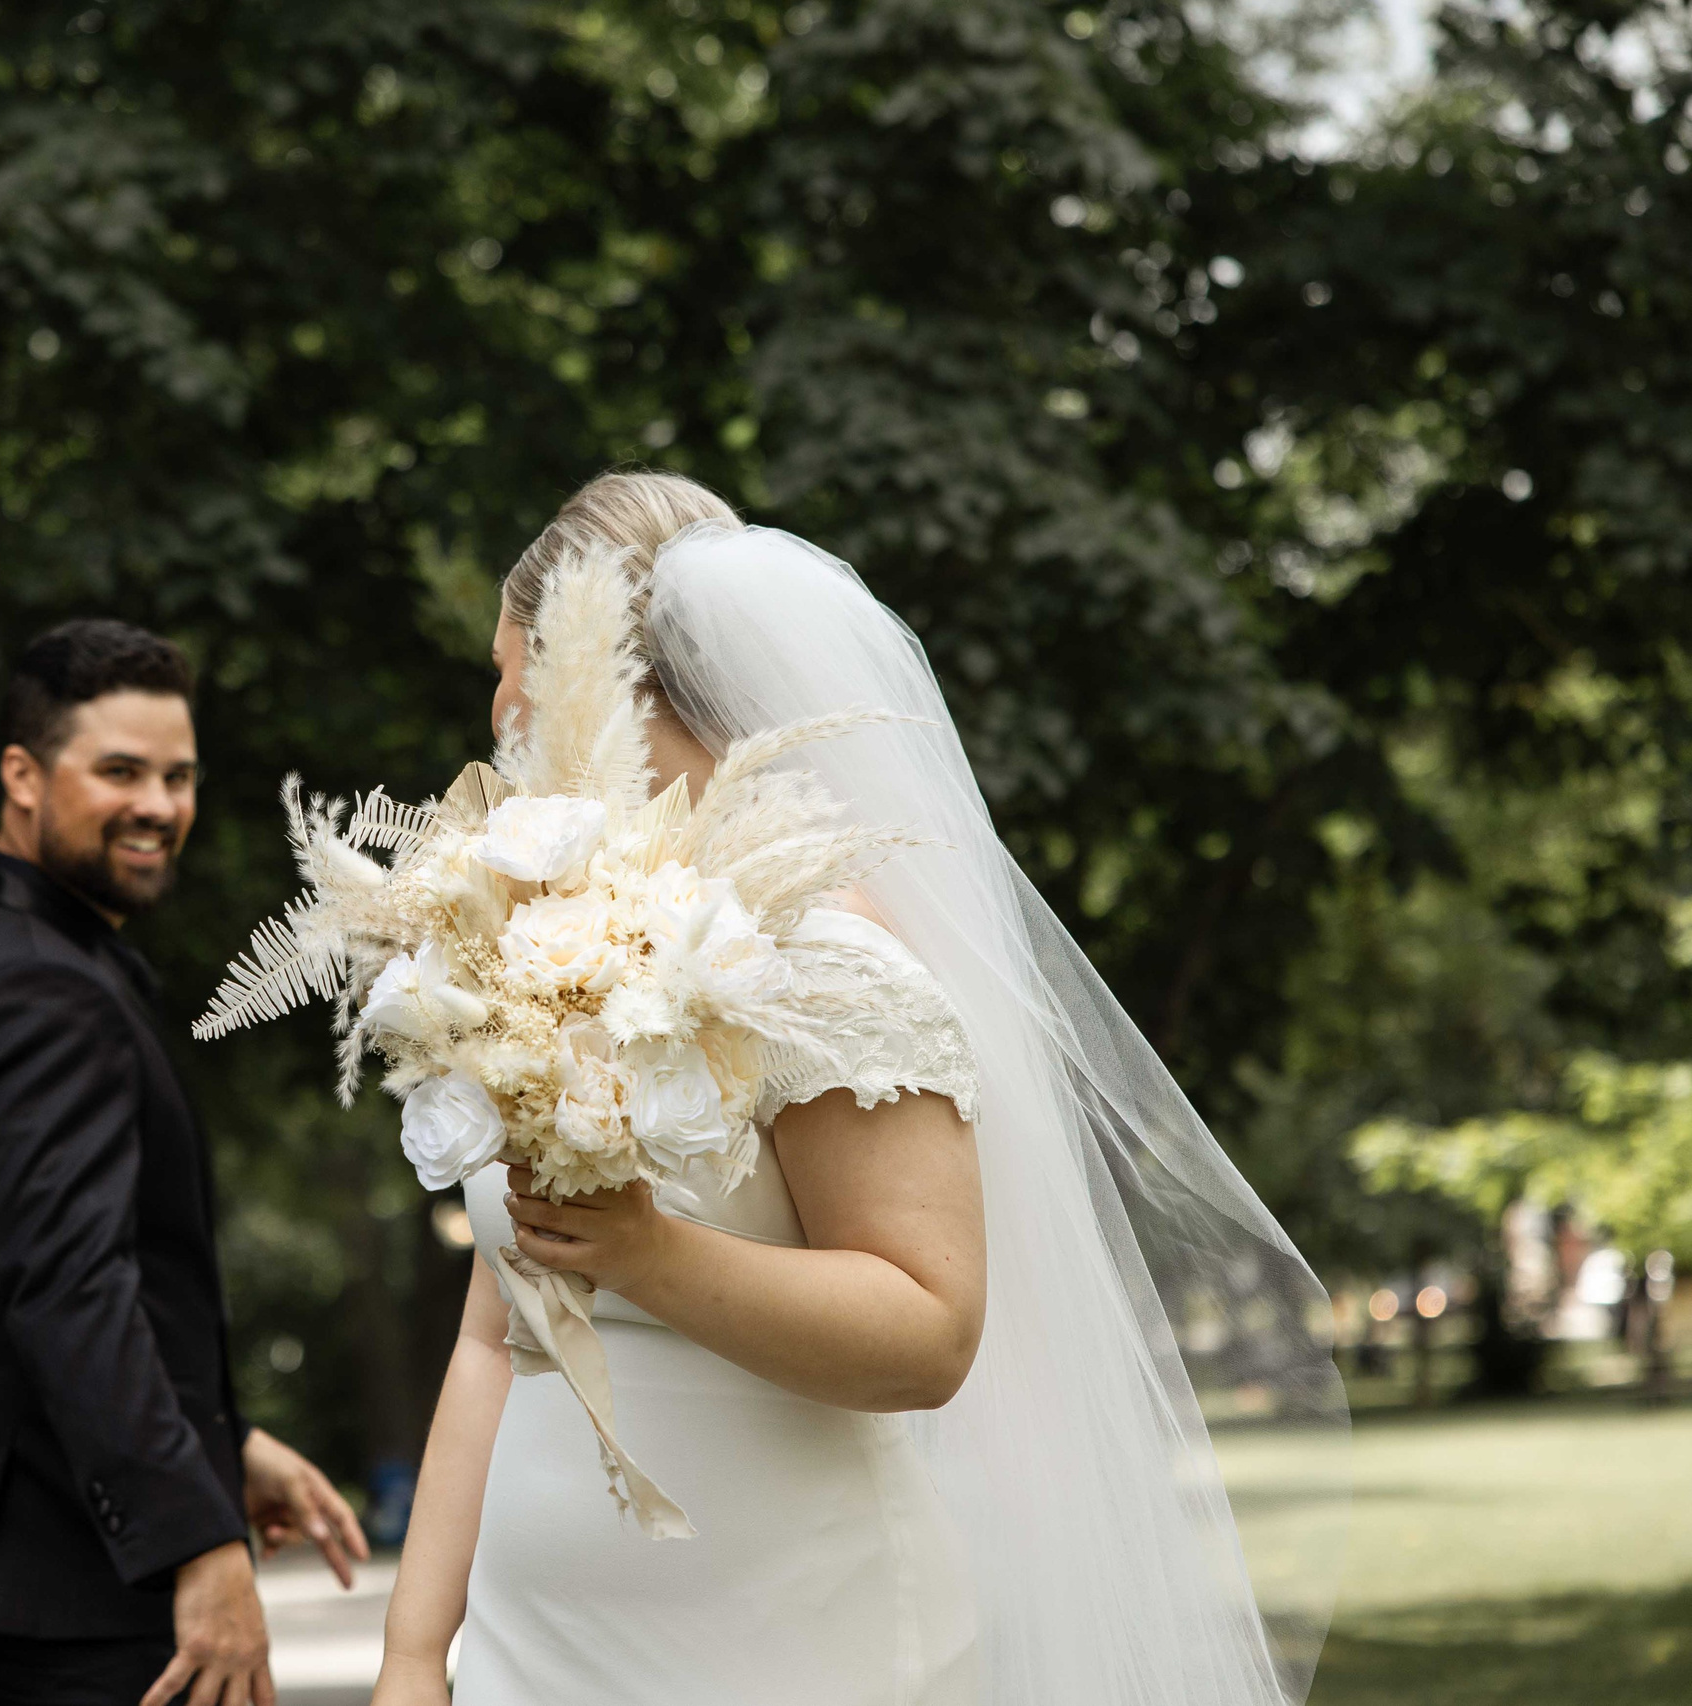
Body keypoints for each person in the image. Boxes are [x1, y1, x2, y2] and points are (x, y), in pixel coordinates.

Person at [371, 475, 1347, 1705]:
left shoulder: (825, 957)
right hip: (536, 1656)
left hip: (787, 1637)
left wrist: (648, 1253)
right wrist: (415, 1652)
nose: (499, 709)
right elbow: (490, 1333)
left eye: (508, 668)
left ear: (592, 677)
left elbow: (928, 1329)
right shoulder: (551, 954)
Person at [0, 618, 368, 1706]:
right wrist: (197, 1538)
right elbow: (72, 1292)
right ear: (23, 775)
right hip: (75, 1591)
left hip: (29, 1581)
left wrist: (226, 1444)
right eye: (121, 771)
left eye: (178, 777)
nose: (159, 805)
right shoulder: (38, 991)